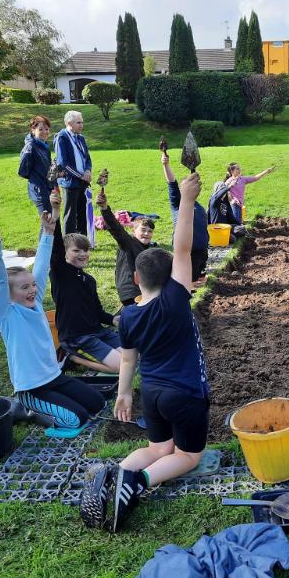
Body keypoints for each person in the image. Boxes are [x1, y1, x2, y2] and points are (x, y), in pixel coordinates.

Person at [79, 172, 210, 532]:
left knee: (157, 449)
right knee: (187, 455)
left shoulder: (128, 316)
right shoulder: (175, 299)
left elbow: (128, 358)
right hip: (184, 393)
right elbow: (182, 248)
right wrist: (186, 199)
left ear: (136, 280)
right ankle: (135, 485)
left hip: (151, 393)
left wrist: (123, 394)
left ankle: (116, 474)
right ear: (172, 278)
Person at [0, 207, 105, 429]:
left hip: (54, 377)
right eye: (24, 288)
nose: (32, 290)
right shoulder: (6, 314)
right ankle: (26, 409)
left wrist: (48, 233)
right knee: (74, 420)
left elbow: (40, 266)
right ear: (9, 295)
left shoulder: (36, 303)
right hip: (32, 387)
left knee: (97, 404)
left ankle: (49, 405)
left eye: (32, 285)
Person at [49, 192, 122, 373]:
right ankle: (70, 356)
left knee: (134, 356)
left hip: (99, 332)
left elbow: (97, 311)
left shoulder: (89, 280)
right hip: (77, 337)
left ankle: (79, 357)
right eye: (76, 250)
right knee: (122, 367)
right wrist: (56, 213)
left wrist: (113, 320)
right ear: (65, 253)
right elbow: (55, 246)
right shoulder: (61, 273)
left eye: (86, 250)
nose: (83, 254)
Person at [95, 190, 158, 307]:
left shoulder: (149, 250)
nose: (146, 233)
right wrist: (104, 209)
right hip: (131, 292)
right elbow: (116, 229)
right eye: (143, 230)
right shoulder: (128, 242)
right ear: (133, 231)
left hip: (144, 290)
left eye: (150, 231)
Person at [162, 152, 209, 281]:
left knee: (200, 279)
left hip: (202, 249)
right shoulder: (178, 203)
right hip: (188, 252)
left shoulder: (198, 205)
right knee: (188, 281)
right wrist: (166, 165)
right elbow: (171, 183)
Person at [54, 110, 92, 235]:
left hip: (83, 182)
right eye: (78, 122)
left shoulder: (80, 137)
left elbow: (87, 157)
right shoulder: (62, 138)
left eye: (82, 122)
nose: (82, 125)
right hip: (70, 183)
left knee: (82, 212)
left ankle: (82, 241)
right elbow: (63, 164)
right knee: (70, 214)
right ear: (69, 123)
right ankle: (69, 242)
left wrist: (87, 170)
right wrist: (81, 176)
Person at [17, 115, 53, 214]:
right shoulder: (31, 147)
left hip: (48, 189)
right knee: (48, 223)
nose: (45, 132)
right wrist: (37, 179)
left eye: (47, 129)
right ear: (33, 130)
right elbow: (23, 171)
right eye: (40, 129)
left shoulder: (44, 146)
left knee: (52, 222)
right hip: (39, 191)